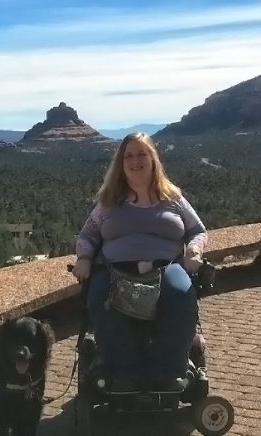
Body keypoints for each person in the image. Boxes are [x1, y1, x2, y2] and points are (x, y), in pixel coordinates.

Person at [71, 131, 208, 391]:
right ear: (121, 164)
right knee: (99, 297)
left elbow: (197, 230)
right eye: (128, 156)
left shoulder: (173, 198)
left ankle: (168, 372)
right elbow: (87, 236)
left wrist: (193, 251)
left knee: (181, 293)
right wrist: (85, 258)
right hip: (115, 270)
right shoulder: (109, 202)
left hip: (165, 267)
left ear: (152, 159)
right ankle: (125, 372)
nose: (135, 161)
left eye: (141, 154)